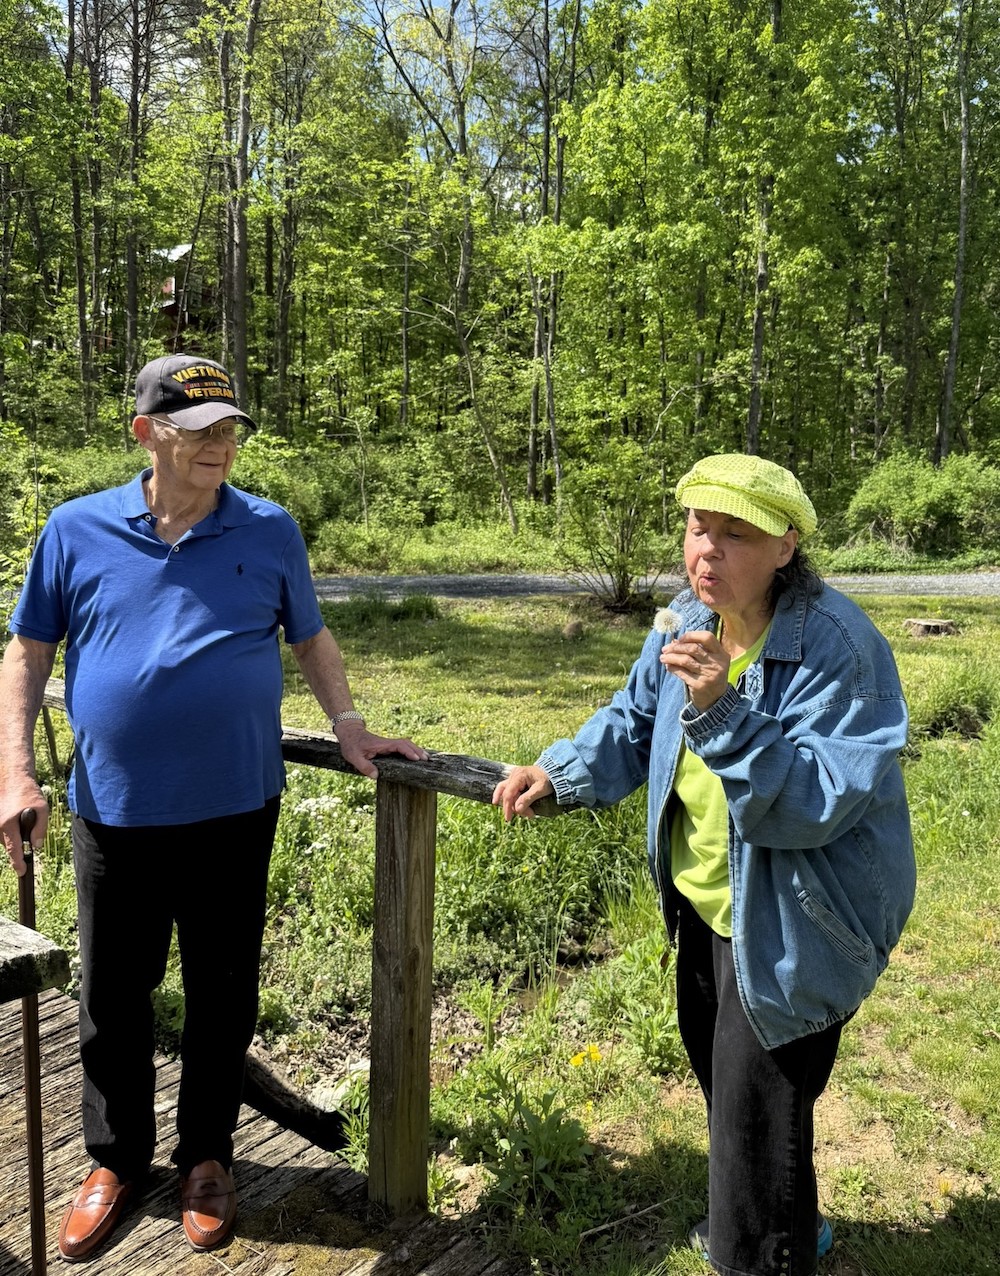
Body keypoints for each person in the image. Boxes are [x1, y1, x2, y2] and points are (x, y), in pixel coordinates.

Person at [0, 354, 427, 1262]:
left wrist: (349, 727)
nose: (219, 447)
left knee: (224, 993)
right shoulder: (75, 530)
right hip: (112, 810)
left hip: (235, 809)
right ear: (146, 433)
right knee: (112, 993)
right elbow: (28, 653)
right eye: (198, 431)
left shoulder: (269, 531)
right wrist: (13, 774)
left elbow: (310, 637)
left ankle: (206, 1158)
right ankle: (115, 1162)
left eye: (229, 429)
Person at [493, 453, 915, 1276]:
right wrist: (561, 772)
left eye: (736, 535)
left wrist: (724, 709)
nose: (707, 552)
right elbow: (633, 718)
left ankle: (760, 1254)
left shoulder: (843, 651)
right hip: (702, 904)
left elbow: (814, 803)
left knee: (752, 1132)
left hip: (798, 921)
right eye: (697, 528)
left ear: (787, 547)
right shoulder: (688, 618)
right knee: (744, 1104)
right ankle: (796, 1225)